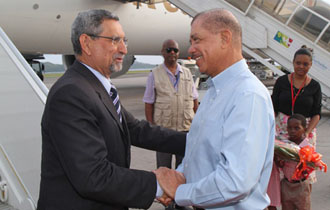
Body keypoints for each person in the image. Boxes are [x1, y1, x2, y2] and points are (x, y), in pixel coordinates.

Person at [37, 9, 186, 210]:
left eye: (125, 41)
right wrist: (158, 184)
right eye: (115, 40)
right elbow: (93, 176)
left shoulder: (95, 87)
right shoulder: (71, 94)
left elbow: (136, 130)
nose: (124, 50)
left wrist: (192, 141)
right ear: (86, 43)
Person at [154, 8, 275, 209]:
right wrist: (179, 177)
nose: (191, 49)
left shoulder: (248, 96)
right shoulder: (213, 91)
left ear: (225, 38)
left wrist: (180, 191)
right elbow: (197, 154)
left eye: (197, 40)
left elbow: (235, 181)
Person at [143, 39, 198, 170]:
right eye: (168, 50)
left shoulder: (187, 73)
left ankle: (180, 191)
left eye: (175, 50)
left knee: (184, 169)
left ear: (178, 53)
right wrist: (152, 129)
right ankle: (164, 191)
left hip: (184, 131)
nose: (172, 52)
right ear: (163, 52)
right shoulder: (154, 74)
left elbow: (194, 99)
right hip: (164, 132)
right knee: (163, 169)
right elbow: (148, 103)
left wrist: (197, 124)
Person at [278, 114, 312, 210]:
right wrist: (279, 159)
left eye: (297, 128)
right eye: (290, 128)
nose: (292, 131)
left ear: (304, 129)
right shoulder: (285, 145)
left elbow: (311, 166)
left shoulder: (306, 146)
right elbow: (280, 164)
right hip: (286, 184)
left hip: (301, 185)